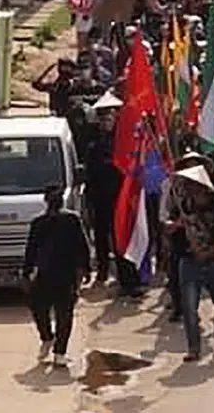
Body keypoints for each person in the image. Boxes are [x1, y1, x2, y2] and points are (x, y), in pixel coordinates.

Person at [164, 164, 214, 361]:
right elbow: (167, 226)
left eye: (194, 185)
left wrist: (209, 251)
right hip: (188, 262)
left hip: (213, 260)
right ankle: (194, 348)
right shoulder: (182, 206)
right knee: (189, 308)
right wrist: (176, 225)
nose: (190, 188)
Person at [22, 183, 90, 368]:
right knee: (40, 310)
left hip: (66, 275)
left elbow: (81, 245)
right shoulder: (39, 223)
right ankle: (47, 338)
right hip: (46, 274)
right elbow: (31, 249)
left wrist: (85, 268)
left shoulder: (71, 220)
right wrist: (26, 272)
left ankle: (60, 352)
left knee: (63, 314)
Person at [82, 91, 123, 284]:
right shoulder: (94, 144)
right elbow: (89, 172)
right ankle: (103, 268)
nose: (106, 123)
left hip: (119, 195)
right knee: (100, 234)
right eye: (103, 119)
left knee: (119, 234)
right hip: (100, 197)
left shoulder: (121, 142)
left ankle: (122, 270)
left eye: (109, 119)